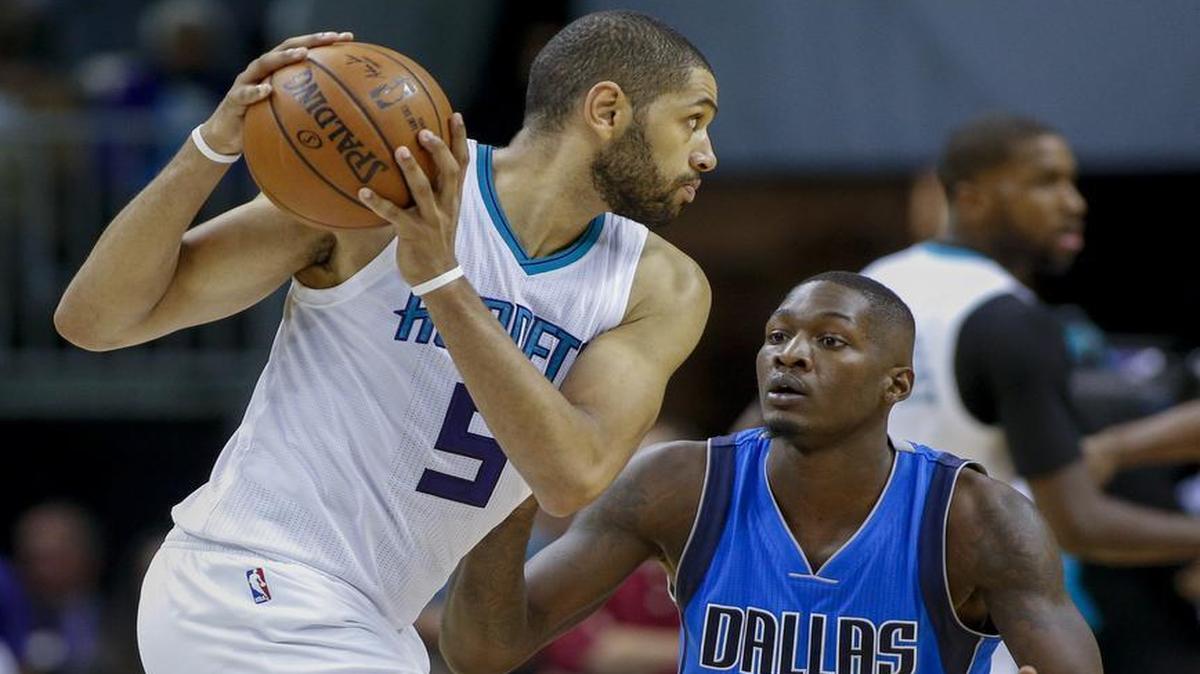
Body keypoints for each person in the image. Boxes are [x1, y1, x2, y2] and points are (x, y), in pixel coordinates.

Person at [54, 10, 717, 672]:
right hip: (250, 581)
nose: (706, 153)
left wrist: (444, 283)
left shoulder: (658, 288)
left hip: (373, 621)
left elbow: (569, 477)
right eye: (693, 119)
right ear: (606, 108)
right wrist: (212, 146)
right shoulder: (380, 192)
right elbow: (95, 321)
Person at [440, 272, 1100, 674]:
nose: (791, 356)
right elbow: (483, 651)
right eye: (778, 336)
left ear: (896, 384)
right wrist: (510, 497)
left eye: (831, 341)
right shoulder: (679, 485)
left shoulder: (977, 518)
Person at [860, 113, 1200, 671]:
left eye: (1071, 181)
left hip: (854, 616)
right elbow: (1077, 523)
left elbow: (754, 437)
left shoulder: (867, 284)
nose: (1074, 202)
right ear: (971, 198)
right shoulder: (1009, 318)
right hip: (972, 630)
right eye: (1047, 182)